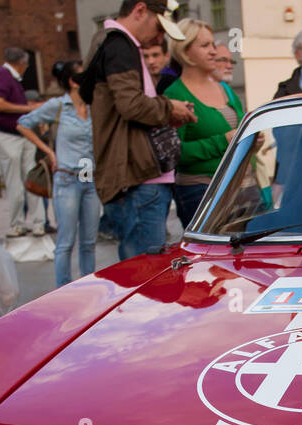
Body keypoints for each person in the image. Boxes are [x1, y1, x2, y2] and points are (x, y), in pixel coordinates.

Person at [81, 1, 196, 260]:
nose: (159, 36)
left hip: (137, 179)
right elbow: (130, 105)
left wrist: (165, 114)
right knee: (144, 275)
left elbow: (126, 109)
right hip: (138, 181)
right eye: (158, 26)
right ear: (140, 10)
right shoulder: (120, 45)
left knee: (142, 271)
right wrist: (169, 108)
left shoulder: (110, 42)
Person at [18, 61, 99, 286]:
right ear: (73, 82)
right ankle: (63, 290)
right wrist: (48, 152)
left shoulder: (94, 106)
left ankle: (88, 287)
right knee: (65, 242)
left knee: (89, 242)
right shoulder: (58, 105)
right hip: (66, 177)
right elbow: (23, 124)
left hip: (90, 178)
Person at [164, 21, 244, 226]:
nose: (213, 51)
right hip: (201, 191)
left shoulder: (225, 88)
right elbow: (175, 152)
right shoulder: (175, 94)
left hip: (238, 187)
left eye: (212, 45)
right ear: (185, 52)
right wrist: (222, 141)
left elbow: (240, 130)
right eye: (204, 46)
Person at [0, 47, 45, 237]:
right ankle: (19, 223)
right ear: (22, 64)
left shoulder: (8, 77)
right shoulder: (3, 75)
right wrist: (28, 108)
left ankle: (36, 222)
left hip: (20, 134)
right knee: (16, 182)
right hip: (8, 134)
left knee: (29, 178)